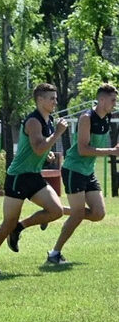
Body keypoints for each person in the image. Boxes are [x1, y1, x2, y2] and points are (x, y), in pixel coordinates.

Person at [0, 84, 68, 273]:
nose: (55, 101)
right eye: (51, 98)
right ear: (40, 100)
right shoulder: (33, 121)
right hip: (18, 177)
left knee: (56, 211)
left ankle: (19, 228)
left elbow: (40, 149)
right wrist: (57, 134)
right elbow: (38, 147)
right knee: (7, 223)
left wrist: (48, 154)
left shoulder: (49, 119)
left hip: (33, 175)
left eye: (55, 98)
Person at [45, 83, 118, 264]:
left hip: (87, 171)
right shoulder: (87, 118)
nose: (115, 104)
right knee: (77, 215)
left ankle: (55, 211)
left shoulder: (107, 117)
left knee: (98, 214)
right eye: (112, 100)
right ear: (101, 100)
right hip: (74, 169)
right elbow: (84, 150)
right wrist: (112, 151)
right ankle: (54, 253)